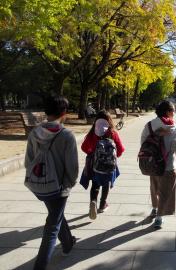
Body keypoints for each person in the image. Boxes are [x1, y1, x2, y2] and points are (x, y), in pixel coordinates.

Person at [25, 95, 79, 270]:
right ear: (64, 113)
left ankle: (68, 243)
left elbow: (29, 161)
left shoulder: (34, 133)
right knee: (52, 225)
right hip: (59, 187)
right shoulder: (66, 135)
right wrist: (69, 184)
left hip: (39, 185)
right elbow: (72, 166)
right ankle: (40, 266)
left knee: (56, 214)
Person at [140, 101, 176, 229]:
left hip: (152, 163)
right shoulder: (173, 128)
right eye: (173, 110)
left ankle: (154, 208)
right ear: (168, 112)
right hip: (168, 164)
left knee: (154, 186)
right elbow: (175, 148)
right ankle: (159, 217)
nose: (174, 113)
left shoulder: (150, 125)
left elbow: (143, 142)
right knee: (166, 190)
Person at [81, 110, 125, 220]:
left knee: (95, 185)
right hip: (109, 166)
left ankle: (93, 202)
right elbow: (120, 150)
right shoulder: (112, 133)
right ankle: (102, 205)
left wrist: (92, 153)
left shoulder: (92, 133)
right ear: (109, 121)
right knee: (106, 184)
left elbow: (84, 147)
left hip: (95, 166)